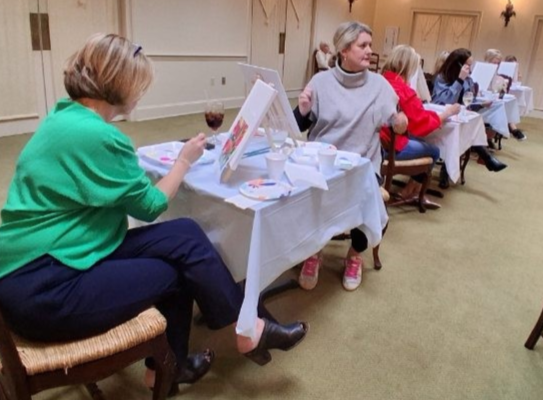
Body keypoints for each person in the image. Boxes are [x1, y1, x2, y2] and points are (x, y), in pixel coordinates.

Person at [0, 33, 308, 392]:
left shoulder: (64, 117)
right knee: (176, 274)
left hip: (60, 254)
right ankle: (176, 365)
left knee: (185, 233)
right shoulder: (99, 137)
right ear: (120, 83)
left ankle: (246, 329)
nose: (140, 93)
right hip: (44, 289)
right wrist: (184, 161)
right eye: (139, 85)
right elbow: (149, 206)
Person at [294, 21, 408, 292]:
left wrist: (400, 122)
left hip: (363, 163)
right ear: (344, 50)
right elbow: (298, 125)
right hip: (322, 163)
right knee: (303, 195)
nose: (370, 51)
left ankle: (355, 254)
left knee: (365, 199)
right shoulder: (320, 82)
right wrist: (303, 109)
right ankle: (314, 250)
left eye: (370, 45)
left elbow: (398, 123)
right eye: (363, 45)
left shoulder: (379, 85)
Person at [380, 45, 461, 209]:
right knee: (434, 150)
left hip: (375, 142)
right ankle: (413, 192)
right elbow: (420, 124)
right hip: (388, 147)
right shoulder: (403, 90)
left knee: (420, 142)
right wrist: (447, 113)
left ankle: (410, 189)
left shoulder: (380, 81)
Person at [432, 48, 507, 184]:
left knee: (471, 125)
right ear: (458, 64)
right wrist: (459, 80)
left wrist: (481, 104)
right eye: (467, 65)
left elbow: (469, 100)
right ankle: (486, 158)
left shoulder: (469, 79)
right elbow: (445, 100)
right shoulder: (442, 77)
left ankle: (449, 168)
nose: (470, 69)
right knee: (461, 130)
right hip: (442, 115)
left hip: (459, 115)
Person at [484, 49, 527, 141]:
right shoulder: (482, 70)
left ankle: (510, 128)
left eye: (498, 63)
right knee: (500, 107)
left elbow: (496, 90)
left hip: (492, 99)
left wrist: (502, 87)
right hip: (483, 101)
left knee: (508, 103)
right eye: (495, 62)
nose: (497, 65)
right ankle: (512, 128)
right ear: (488, 60)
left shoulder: (498, 75)